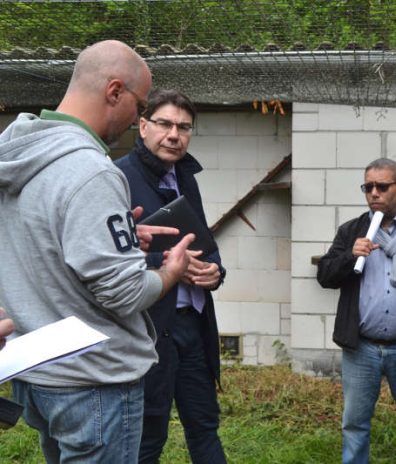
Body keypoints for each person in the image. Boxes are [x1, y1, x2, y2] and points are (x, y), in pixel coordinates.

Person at [0, 40, 193, 463]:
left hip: (36, 374)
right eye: (139, 106)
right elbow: (124, 294)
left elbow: (41, 243)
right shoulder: (92, 170)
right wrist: (170, 270)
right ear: (114, 91)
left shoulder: (17, 153)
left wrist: (117, 239)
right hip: (93, 382)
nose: (134, 119)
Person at [115, 89, 227, 464]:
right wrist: (168, 263)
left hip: (192, 324)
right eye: (164, 124)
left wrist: (214, 269)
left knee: (205, 425)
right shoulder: (117, 177)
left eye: (184, 127)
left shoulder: (185, 177)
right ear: (142, 125)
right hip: (147, 328)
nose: (174, 134)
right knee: (148, 435)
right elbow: (105, 259)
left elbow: (203, 241)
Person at [317, 158, 396, 464]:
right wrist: (350, 256)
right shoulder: (352, 231)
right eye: (368, 187)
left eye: (382, 186)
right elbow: (325, 276)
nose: (374, 193)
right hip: (362, 348)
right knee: (355, 425)